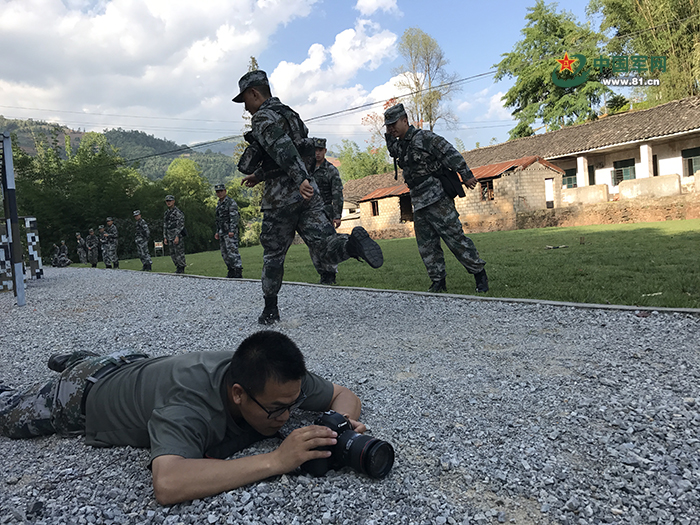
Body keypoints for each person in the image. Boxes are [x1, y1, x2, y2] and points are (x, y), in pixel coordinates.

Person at [0, 331, 366, 505]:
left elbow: (343, 394)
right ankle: (73, 367)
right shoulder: (188, 402)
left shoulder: (276, 378)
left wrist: (339, 423)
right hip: (83, 393)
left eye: (293, 404)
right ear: (238, 394)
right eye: (276, 410)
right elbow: (168, 483)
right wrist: (276, 460)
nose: (286, 416)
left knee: (110, 365)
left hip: (136, 363)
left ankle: (82, 357)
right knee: (8, 416)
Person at [234, 70, 383, 324]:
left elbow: (283, 149)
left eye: (245, 100)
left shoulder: (262, 117)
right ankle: (352, 245)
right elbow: (289, 151)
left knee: (273, 254)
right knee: (324, 248)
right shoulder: (290, 114)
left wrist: (299, 178)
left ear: (254, 93)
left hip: (282, 198)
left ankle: (270, 310)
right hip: (309, 193)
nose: (246, 108)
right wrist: (261, 175)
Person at [384, 103, 488, 293]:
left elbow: (450, 153)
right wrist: (389, 136)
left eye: (393, 124)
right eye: (388, 125)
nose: (391, 128)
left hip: (437, 198)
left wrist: (466, 175)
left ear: (405, 120)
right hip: (418, 201)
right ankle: (438, 281)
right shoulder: (400, 145)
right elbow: (393, 151)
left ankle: (479, 274)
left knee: (455, 239)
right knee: (427, 245)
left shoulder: (425, 138)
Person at [308, 138, 344, 285]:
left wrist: (337, 215)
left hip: (325, 211)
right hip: (309, 212)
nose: (317, 153)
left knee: (329, 243)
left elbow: (337, 194)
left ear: (325, 151)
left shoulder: (331, 170)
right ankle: (322, 272)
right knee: (313, 244)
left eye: (320, 150)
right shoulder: (307, 169)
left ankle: (330, 273)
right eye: (315, 150)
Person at [214, 184, 243, 278]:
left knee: (232, 251)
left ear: (225, 191)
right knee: (224, 252)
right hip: (222, 231)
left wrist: (232, 230)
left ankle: (238, 270)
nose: (219, 193)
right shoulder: (219, 204)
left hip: (229, 231)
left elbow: (234, 217)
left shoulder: (231, 202)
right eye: (218, 192)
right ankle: (231, 270)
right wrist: (217, 231)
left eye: (221, 191)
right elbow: (218, 219)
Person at [163, 195, 186, 274]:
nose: (168, 203)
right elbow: (165, 225)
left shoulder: (177, 212)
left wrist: (177, 236)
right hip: (169, 235)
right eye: (167, 201)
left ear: (173, 201)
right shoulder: (166, 213)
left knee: (179, 252)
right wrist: (165, 236)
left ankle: (181, 267)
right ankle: (177, 266)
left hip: (176, 234)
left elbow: (180, 225)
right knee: (172, 252)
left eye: (170, 201)